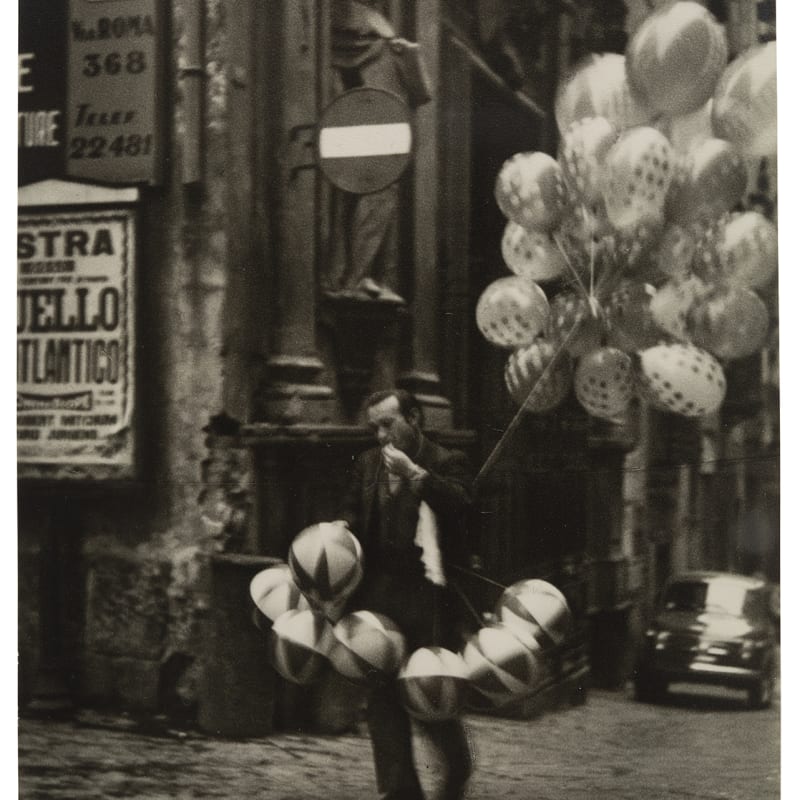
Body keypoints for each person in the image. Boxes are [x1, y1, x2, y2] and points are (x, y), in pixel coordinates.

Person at [338, 389, 474, 800]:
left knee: (430, 694)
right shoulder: (367, 465)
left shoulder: (447, 461)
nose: (381, 436)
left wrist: (416, 475)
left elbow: (465, 505)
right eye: (374, 426)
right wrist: (339, 529)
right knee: (382, 703)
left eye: (388, 423)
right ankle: (401, 794)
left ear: (415, 419)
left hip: (429, 598)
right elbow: (354, 512)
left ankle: (457, 770)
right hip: (378, 595)